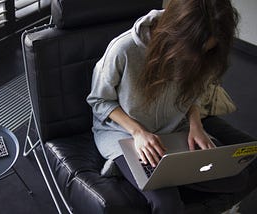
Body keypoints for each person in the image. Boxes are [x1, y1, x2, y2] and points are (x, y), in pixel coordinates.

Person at [87, 0, 257, 213]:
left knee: (237, 179)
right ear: (176, 32)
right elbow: (99, 101)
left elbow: (192, 94)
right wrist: (138, 132)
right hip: (124, 133)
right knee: (166, 205)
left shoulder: (203, 52)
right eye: (194, 51)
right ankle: (136, 168)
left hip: (175, 128)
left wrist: (196, 125)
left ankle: (166, 175)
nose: (197, 59)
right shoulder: (124, 49)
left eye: (207, 51)